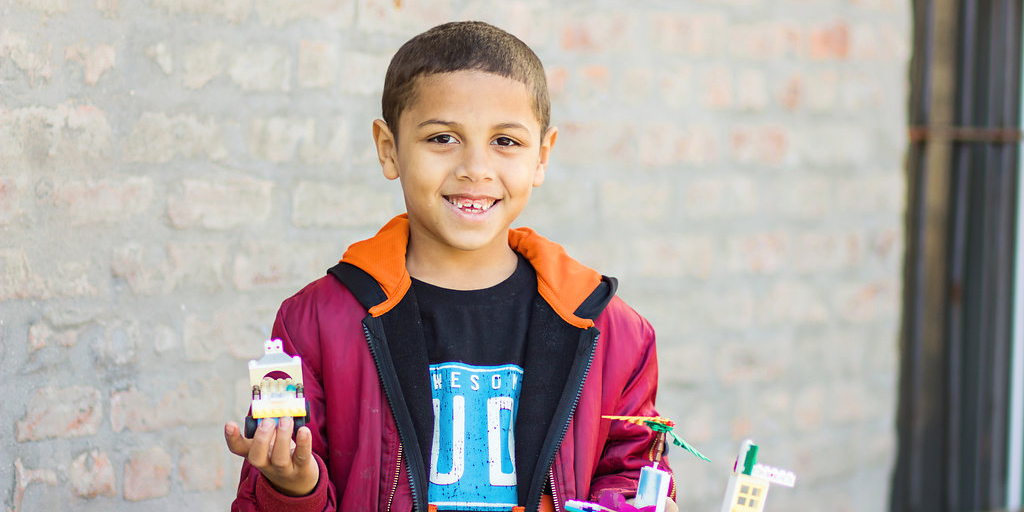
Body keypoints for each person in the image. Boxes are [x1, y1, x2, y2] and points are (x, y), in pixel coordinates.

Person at [224, 20, 678, 512]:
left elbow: (632, 474)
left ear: (542, 156)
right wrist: (293, 488)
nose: (475, 167)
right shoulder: (316, 322)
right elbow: (271, 485)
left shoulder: (613, 334)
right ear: (388, 148)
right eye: (443, 138)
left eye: (506, 141)